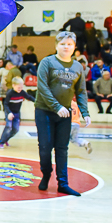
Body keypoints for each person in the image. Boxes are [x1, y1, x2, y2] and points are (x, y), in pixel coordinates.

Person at [35, 31, 91, 197]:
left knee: (62, 148)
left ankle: (63, 183)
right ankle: (46, 174)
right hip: (44, 111)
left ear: (74, 47)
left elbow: (81, 91)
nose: (66, 47)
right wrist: (56, 106)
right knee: (45, 147)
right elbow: (42, 87)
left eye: (70, 44)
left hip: (65, 114)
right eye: (63, 44)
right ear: (56, 46)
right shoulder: (47, 62)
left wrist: (85, 112)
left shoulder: (77, 67)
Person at [0, 76, 35, 148]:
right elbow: (5, 104)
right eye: (18, 87)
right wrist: (9, 113)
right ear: (13, 85)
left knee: (15, 129)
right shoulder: (10, 93)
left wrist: (37, 101)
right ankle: (1, 142)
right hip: (9, 112)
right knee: (8, 127)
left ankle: (6, 139)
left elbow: (29, 97)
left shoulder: (22, 92)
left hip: (17, 113)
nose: (20, 89)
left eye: (21, 87)